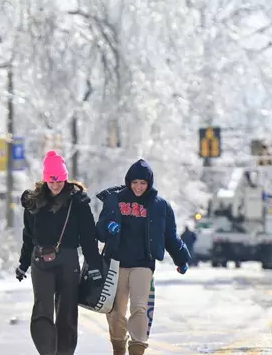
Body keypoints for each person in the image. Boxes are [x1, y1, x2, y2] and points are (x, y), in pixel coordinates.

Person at [96, 159, 191, 355]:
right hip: (116, 264)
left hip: (143, 265)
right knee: (116, 313)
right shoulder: (115, 200)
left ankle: (137, 350)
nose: (139, 187)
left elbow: (170, 236)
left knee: (139, 308)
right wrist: (109, 227)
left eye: (143, 183)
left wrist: (181, 259)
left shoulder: (160, 206)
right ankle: (118, 347)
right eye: (135, 182)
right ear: (129, 181)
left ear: (149, 184)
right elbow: (99, 231)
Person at [15, 150, 102, 355]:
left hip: (68, 259)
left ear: (65, 178)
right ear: (45, 180)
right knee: (42, 310)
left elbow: (88, 236)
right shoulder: (34, 203)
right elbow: (28, 236)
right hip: (40, 261)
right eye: (52, 181)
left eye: (60, 181)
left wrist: (95, 266)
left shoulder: (77, 202)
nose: (56, 185)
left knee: (67, 312)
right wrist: (23, 264)